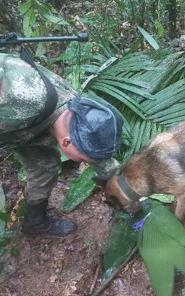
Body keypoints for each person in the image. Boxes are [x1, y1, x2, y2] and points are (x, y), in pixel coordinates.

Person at [0, 52, 123, 237]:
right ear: (66, 141)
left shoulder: (78, 110)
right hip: (14, 122)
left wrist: (125, 189)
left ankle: (34, 223)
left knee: (45, 165)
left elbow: (98, 157)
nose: (87, 162)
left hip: (27, 128)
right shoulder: (17, 105)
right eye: (83, 159)